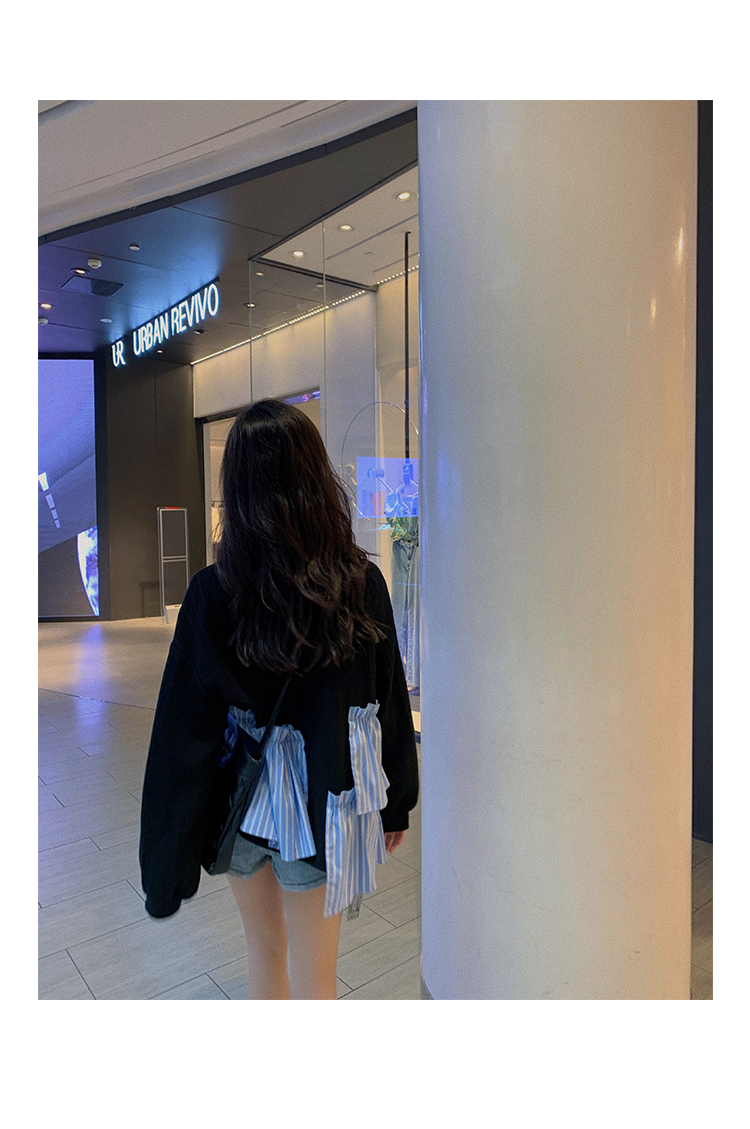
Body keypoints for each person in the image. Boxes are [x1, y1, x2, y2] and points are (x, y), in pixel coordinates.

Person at [139, 399, 419, 999]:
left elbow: (182, 729)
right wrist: (396, 802)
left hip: (242, 803)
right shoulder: (359, 584)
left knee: (264, 951)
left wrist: (166, 857)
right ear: (315, 478)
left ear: (237, 491)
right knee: (317, 969)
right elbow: (387, 699)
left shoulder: (212, 594)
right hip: (324, 802)